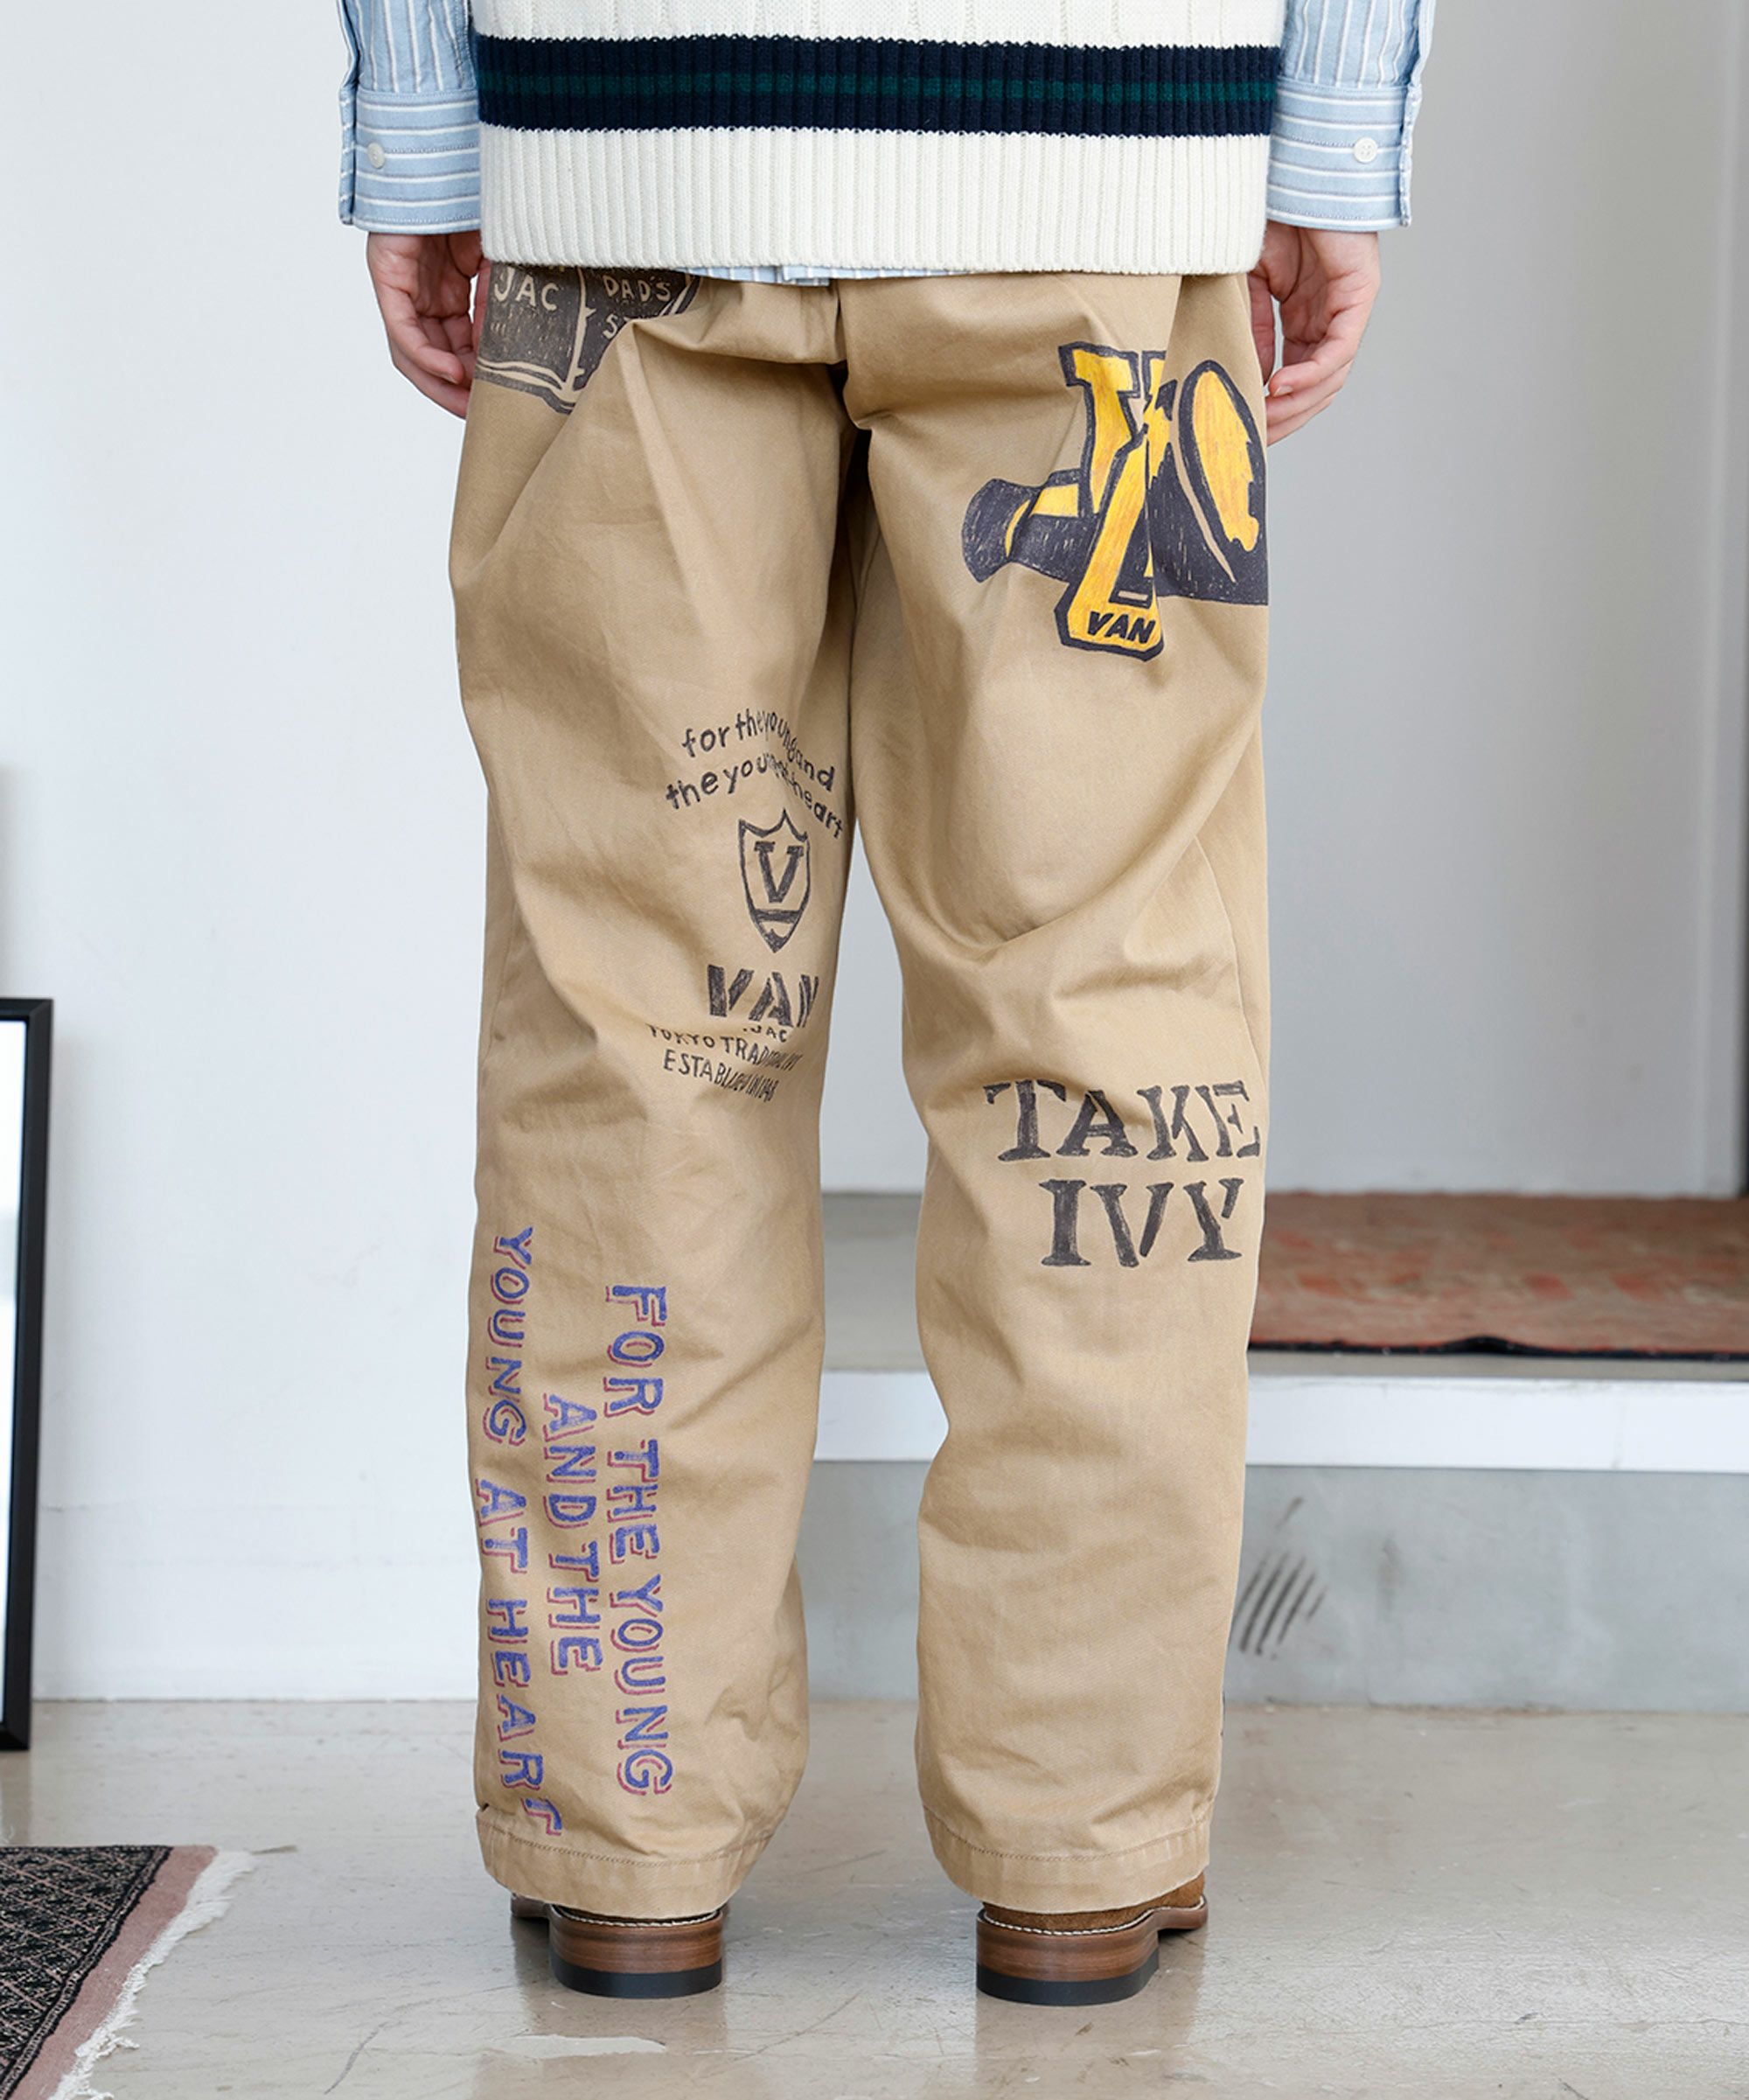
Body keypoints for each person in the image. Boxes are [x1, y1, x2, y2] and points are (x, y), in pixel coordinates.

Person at [338, 0, 1433, 2007]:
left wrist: (419, 121)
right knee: (1101, 1030)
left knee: (640, 1031)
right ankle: (1080, 1846)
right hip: (1100, 153)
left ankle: (629, 1833)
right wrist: (1333, 138)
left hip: (628, 144)